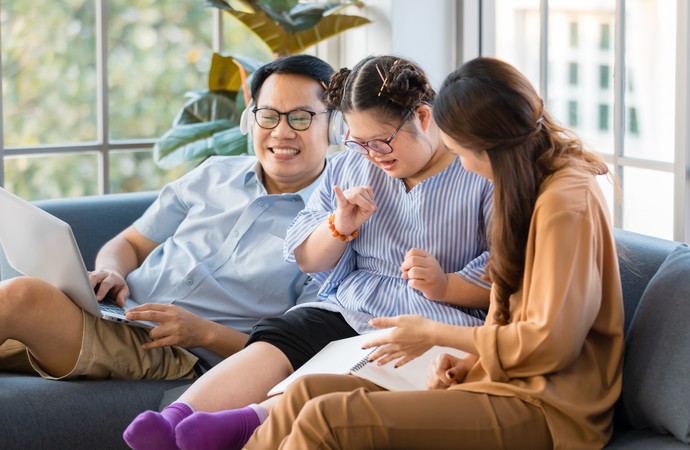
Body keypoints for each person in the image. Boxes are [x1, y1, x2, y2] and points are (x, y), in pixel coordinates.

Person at [243, 57, 625, 450]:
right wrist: (468, 361)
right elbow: (512, 310)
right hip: (499, 380)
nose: (463, 165)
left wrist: (433, 334)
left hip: (549, 406)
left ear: (493, 143)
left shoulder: (565, 202)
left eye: (462, 152)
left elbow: (549, 344)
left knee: (327, 420)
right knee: (303, 396)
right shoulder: (530, 185)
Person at [122, 55, 494, 450]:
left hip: (430, 318)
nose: (372, 154)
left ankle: (248, 421)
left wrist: (445, 284)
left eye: (381, 141)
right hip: (350, 306)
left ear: (422, 117)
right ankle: (173, 421)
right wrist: (340, 225)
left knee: (359, 369)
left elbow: (509, 276)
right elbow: (306, 258)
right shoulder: (350, 165)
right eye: (357, 141)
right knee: (284, 337)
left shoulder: (478, 171)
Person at [0, 54, 335, 381]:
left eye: (301, 117)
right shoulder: (214, 172)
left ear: (335, 126)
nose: (281, 132)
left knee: (23, 297)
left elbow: (297, 351)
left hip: (176, 352)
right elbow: (130, 242)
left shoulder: (334, 230)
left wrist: (204, 333)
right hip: (114, 314)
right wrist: (112, 272)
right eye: (269, 115)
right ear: (251, 119)